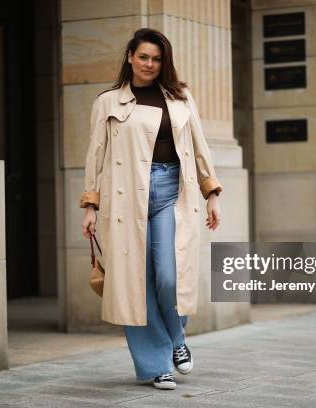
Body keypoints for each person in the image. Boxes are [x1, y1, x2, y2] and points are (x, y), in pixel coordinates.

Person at [80, 27, 223, 390]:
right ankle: (157, 364)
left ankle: (176, 338)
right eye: (143, 56)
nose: (150, 64)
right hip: (125, 198)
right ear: (130, 56)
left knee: (168, 276)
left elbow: (199, 144)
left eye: (157, 59)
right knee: (134, 285)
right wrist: (90, 205)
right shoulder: (108, 102)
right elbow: (95, 156)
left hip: (172, 192)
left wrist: (212, 192)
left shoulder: (180, 98)